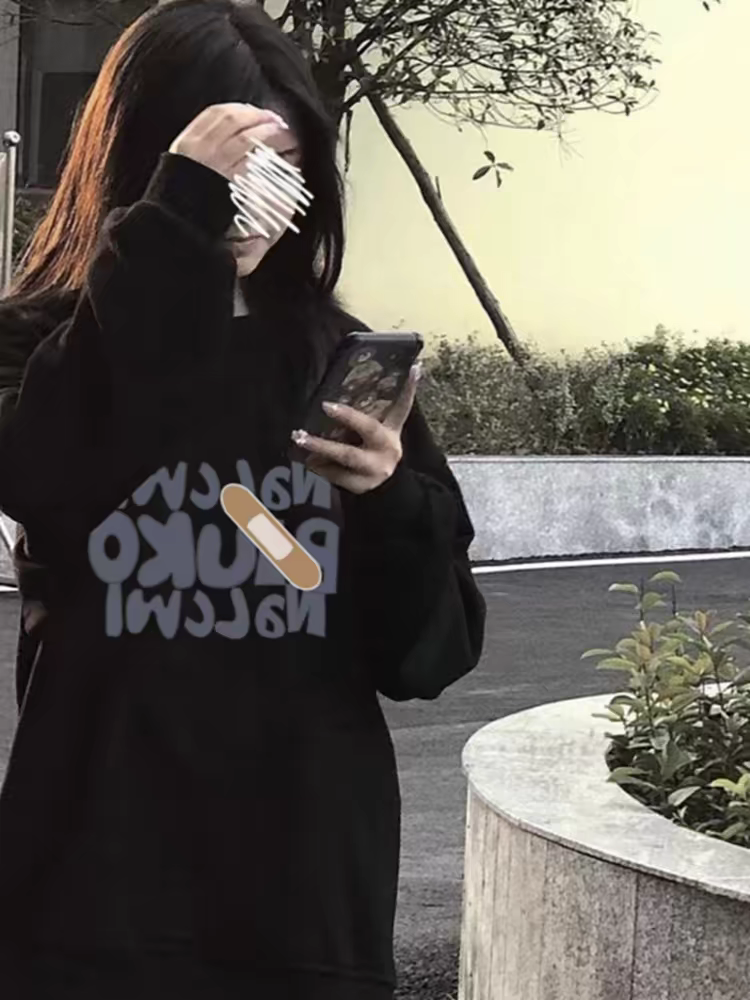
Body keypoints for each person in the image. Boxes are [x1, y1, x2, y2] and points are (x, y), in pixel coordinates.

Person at [0, 0, 487, 996]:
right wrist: (174, 240)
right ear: (150, 168)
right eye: (233, 170)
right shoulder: (46, 346)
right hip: (92, 897)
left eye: (285, 172)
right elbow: (43, 478)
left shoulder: (333, 357)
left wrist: (390, 499)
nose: (259, 206)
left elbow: (428, 656)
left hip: (301, 906)